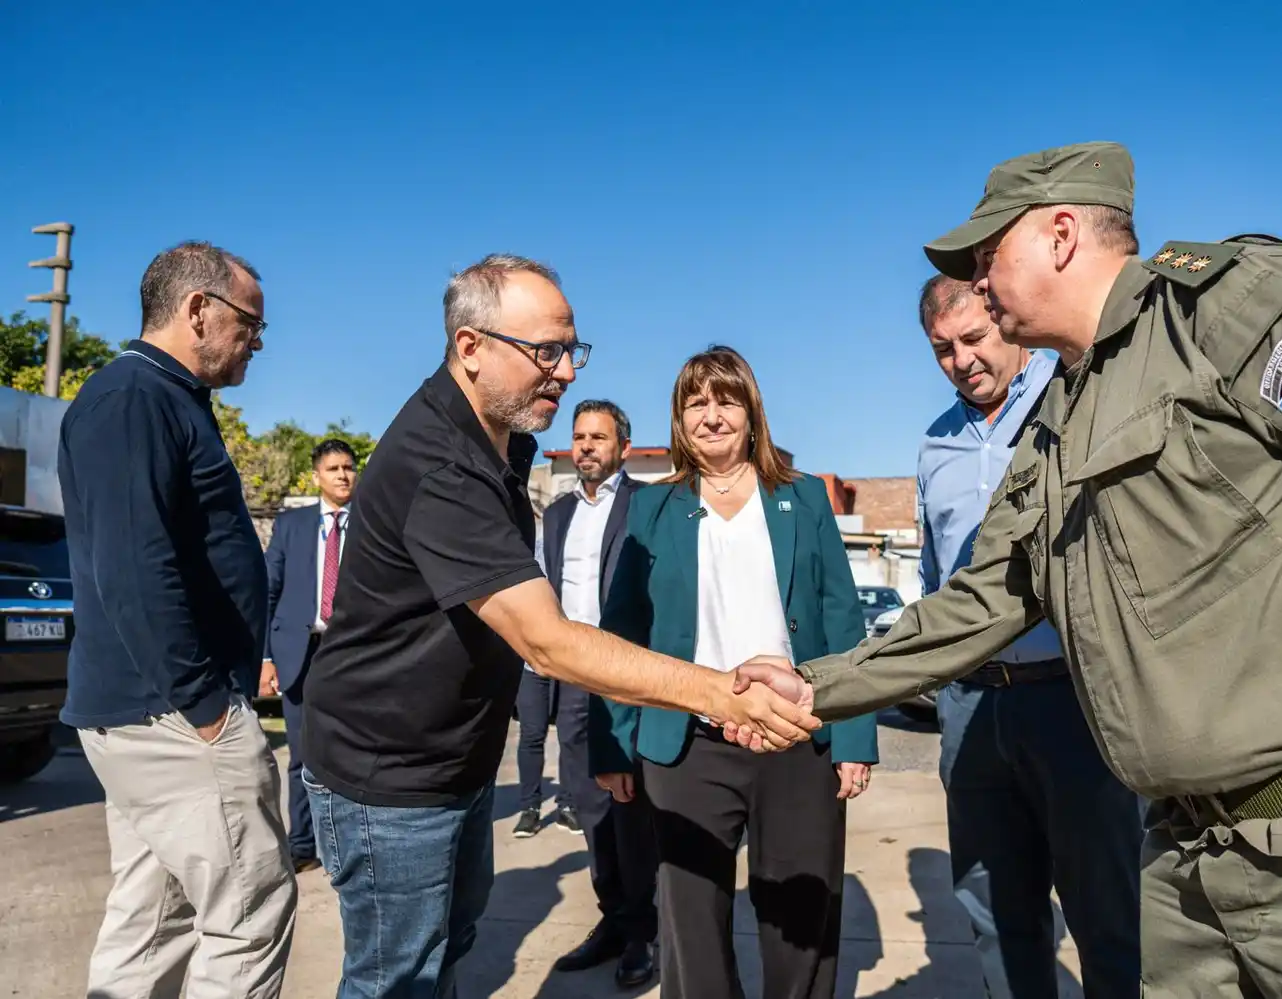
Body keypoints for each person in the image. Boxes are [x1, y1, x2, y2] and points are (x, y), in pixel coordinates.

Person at [734, 141, 1282, 998]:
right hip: (1185, 862)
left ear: (1061, 234)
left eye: (990, 257)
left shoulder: (1224, 306)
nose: (979, 283)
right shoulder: (1059, 418)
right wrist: (816, 687)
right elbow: (983, 598)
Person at [297, 255, 819, 998]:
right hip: (389, 779)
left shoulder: (497, 441)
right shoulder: (440, 463)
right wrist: (723, 692)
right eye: (546, 351)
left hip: (452, 766)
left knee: (445, 954)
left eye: (573, 349)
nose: (568, 371)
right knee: (395, 980)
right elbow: (547, 638)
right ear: (471, 348)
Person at [592, 345, 879, 999]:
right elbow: (621, 633)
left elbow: (843, 621)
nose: (712, 414)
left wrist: (855, 740)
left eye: (726, 400)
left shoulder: (802, 497)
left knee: (800, 920)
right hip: (686, 747)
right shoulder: (652, 508)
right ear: (678, 417)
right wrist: (611, 742)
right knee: (690, 921)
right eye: (697, 402)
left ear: (752, 413)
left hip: (796, 738)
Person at [57, 241, 296, 999]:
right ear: (199, 309)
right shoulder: (134, 397)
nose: (256, 341)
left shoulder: (161, 397)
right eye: (251, 324)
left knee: (152, 920)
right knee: (249, 915)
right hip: (171, 717)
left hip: (153, 712)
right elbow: (133, 569)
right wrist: (205, 710)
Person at [915, 273, 1141, 998]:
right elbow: (935, 578)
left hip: (1073, 700)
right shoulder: (935, 446)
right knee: (993, 909)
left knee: (1109, 910)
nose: (961, 360)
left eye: (974, 338)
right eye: (942, 349)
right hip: (973, 707)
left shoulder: (1074, 399)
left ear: (1004, 320)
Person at [535, 399, 660, 987]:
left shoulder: (648, 505)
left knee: (632, 809)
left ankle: (643, 932)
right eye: (579, 437)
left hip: (628, 677)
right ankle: (613, 918)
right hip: (573, 679)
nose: (586, 447)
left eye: (598, 438)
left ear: (623, 448)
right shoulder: (556, 514)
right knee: (589, 810)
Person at [260, 437, 360, 873]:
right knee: (301, 754)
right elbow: (267, 591)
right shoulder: (292, 525)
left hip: (351, 656)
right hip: (299, 652)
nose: (343, 475)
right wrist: (265, 658)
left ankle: (352, 843)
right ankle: (302, 845)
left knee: (352, 752)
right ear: (317, 476)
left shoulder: (373, 523)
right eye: (334, 468)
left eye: (349, 467)